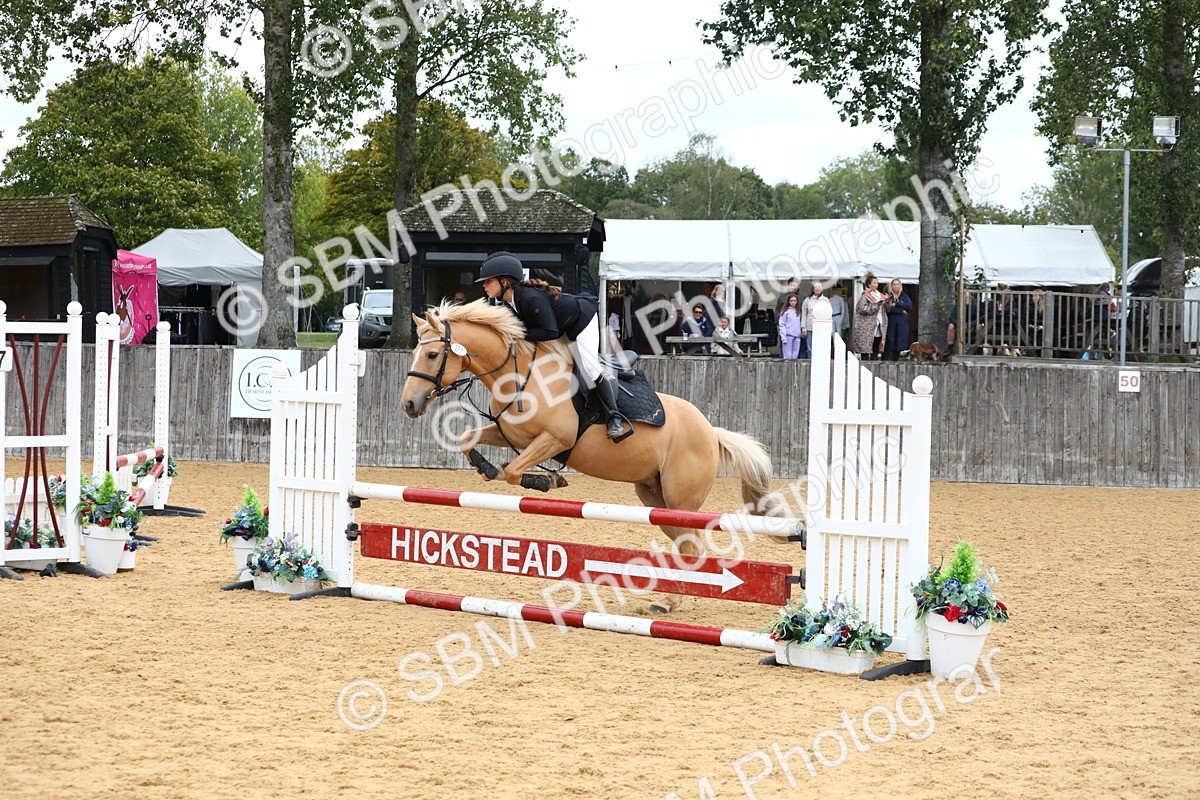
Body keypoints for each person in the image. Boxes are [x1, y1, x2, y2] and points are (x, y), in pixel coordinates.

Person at [476, 251, 626, 440]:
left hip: (582, 320)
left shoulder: (531, 299)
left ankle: (615, 418)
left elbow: (550, 332)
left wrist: (519, 334)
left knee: (590, 367)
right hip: (562, 327)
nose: (484, 285)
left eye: (488, 281)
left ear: (504, 282)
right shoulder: (510, 304)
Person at [853, 272, 889, 360]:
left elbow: (885, 309)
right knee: (866, 346)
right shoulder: (865, 296)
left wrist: (887, 303)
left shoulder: (880, 295)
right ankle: (864, 364)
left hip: (879, 322)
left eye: (877, 283)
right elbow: (861, 309)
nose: (876, 285)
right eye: (874, 283)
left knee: (877, 343)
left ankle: (875, 362)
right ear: (869, 284)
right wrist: (876, 305)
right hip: (868, 325)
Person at [882, 278, 913, 361]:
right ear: (891, 286)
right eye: (894, 284)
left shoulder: (904, 295)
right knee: (891, 339)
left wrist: (896, 304)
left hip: (902, 322)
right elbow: (888, 308)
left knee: (900, 339)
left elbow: (909, 306)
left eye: (897, 284)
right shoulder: (889, 296)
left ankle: (898, 358)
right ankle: (888, 358)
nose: (896, 286)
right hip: (892, 320)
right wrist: (901, 310)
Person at [800, 281, 825, 358]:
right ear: (813, 289)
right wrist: (803, 327)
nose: (817, 289)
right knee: (810, 348)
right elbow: (804, 314)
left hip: (821, 327)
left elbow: (829, 315)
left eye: (819, 287)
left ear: (822, 289)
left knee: (820, 347)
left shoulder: (825, 300)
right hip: (809, 327)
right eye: (815, 287)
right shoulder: (807, 300)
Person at [778, 293, 803, 359]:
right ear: (788, 301)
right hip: (788, 336)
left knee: (795, 356)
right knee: (787, 356)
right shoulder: (785, 311)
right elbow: (782, 324)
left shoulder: (798, 311)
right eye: (791, 301)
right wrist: (783, 337)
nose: (793, 302)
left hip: (797, 336)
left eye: (795, 301)